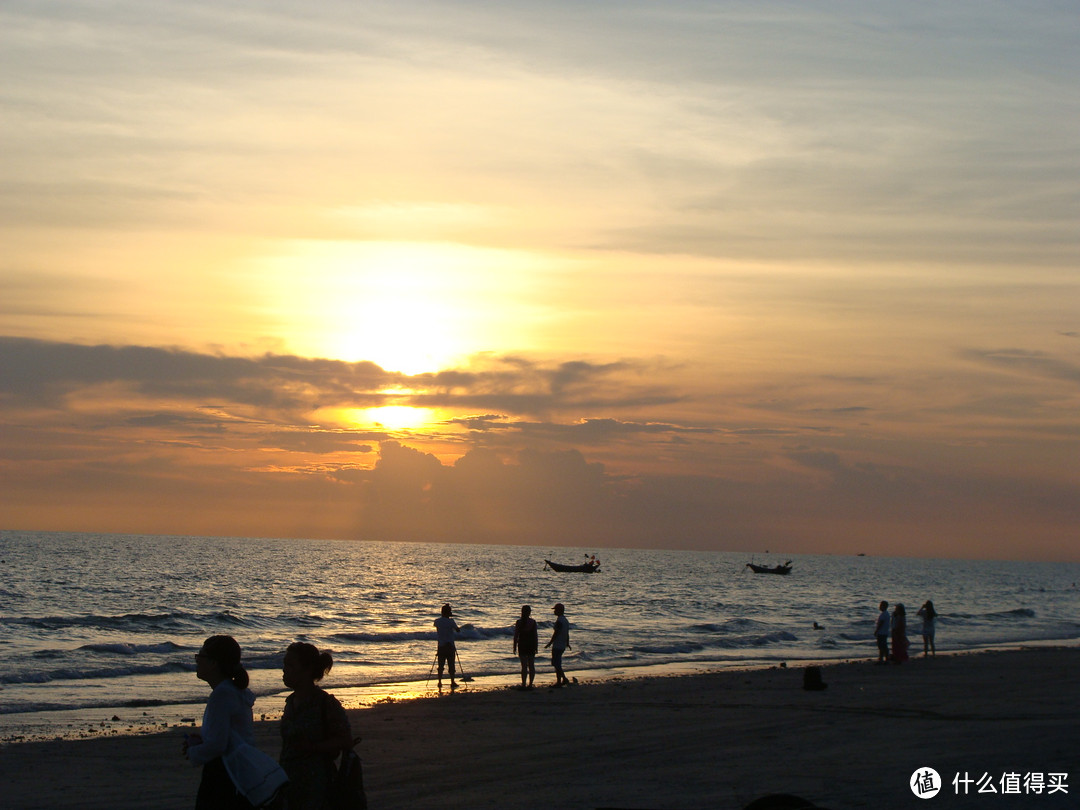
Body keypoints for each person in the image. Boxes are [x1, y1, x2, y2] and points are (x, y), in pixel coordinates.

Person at [184, 635, 257, 810]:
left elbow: (218, 745)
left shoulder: (222, 695)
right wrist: (203, 740)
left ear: (213, 663)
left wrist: (193, 751)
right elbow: (228, 735)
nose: (197, 662)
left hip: (223, 774)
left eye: (199, 657)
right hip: (236, 772)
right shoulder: (232, 692)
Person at [280, 642, 354, 810]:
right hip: (289, 783)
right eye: (284, 664)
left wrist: (313, 747)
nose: (284, 670)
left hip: (318, 786)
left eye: (290, 665)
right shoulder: (290, 702)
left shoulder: (325, 703)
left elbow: (346, 741)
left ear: (307, 669)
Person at [433, 603, 461, 689]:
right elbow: (458, 631)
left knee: (440, 665)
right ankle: (452, 682)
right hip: (450, 645)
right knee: (451, 665)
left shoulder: (437, 621)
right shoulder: (451, 622)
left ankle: (440, 682)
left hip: (441, 646)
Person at [544, 602, 571, 686]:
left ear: (559, 610)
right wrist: (567, 643)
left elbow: (556, 633)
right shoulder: (565, 620)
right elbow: (567, 633)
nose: (554, 611)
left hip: (558, 645)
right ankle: (560, 680)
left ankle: (562, 680)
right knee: (557, 662)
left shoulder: (559, 621)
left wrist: (550, 643)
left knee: (556, 663)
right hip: (562, 644)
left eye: (555, 609)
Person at [513, 605, 539, 689]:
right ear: (530, 612)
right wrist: (536, 646)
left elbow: (516, 635)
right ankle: (530, 684)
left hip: (522, 644)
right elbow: (535, 635)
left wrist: (514, 646)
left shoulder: (519, 622)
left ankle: (523, 684)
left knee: (524, 666)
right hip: (531, 644)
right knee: (531, 665)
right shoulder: (533, 622)